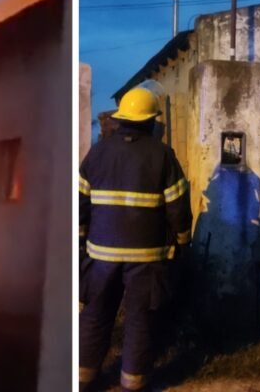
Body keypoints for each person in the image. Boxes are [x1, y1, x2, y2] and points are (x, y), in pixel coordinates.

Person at [78, 86, 191, 392]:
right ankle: (133, 383)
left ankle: (84, 378)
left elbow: (80, 204)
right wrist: (183, 242)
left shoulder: (97, 153)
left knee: (95, 314)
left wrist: (81, 243)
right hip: (146, 258)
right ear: (150, 121)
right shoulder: (162, 155)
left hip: (101, 256)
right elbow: (178, 208)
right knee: (139, 320)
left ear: (121, 119)